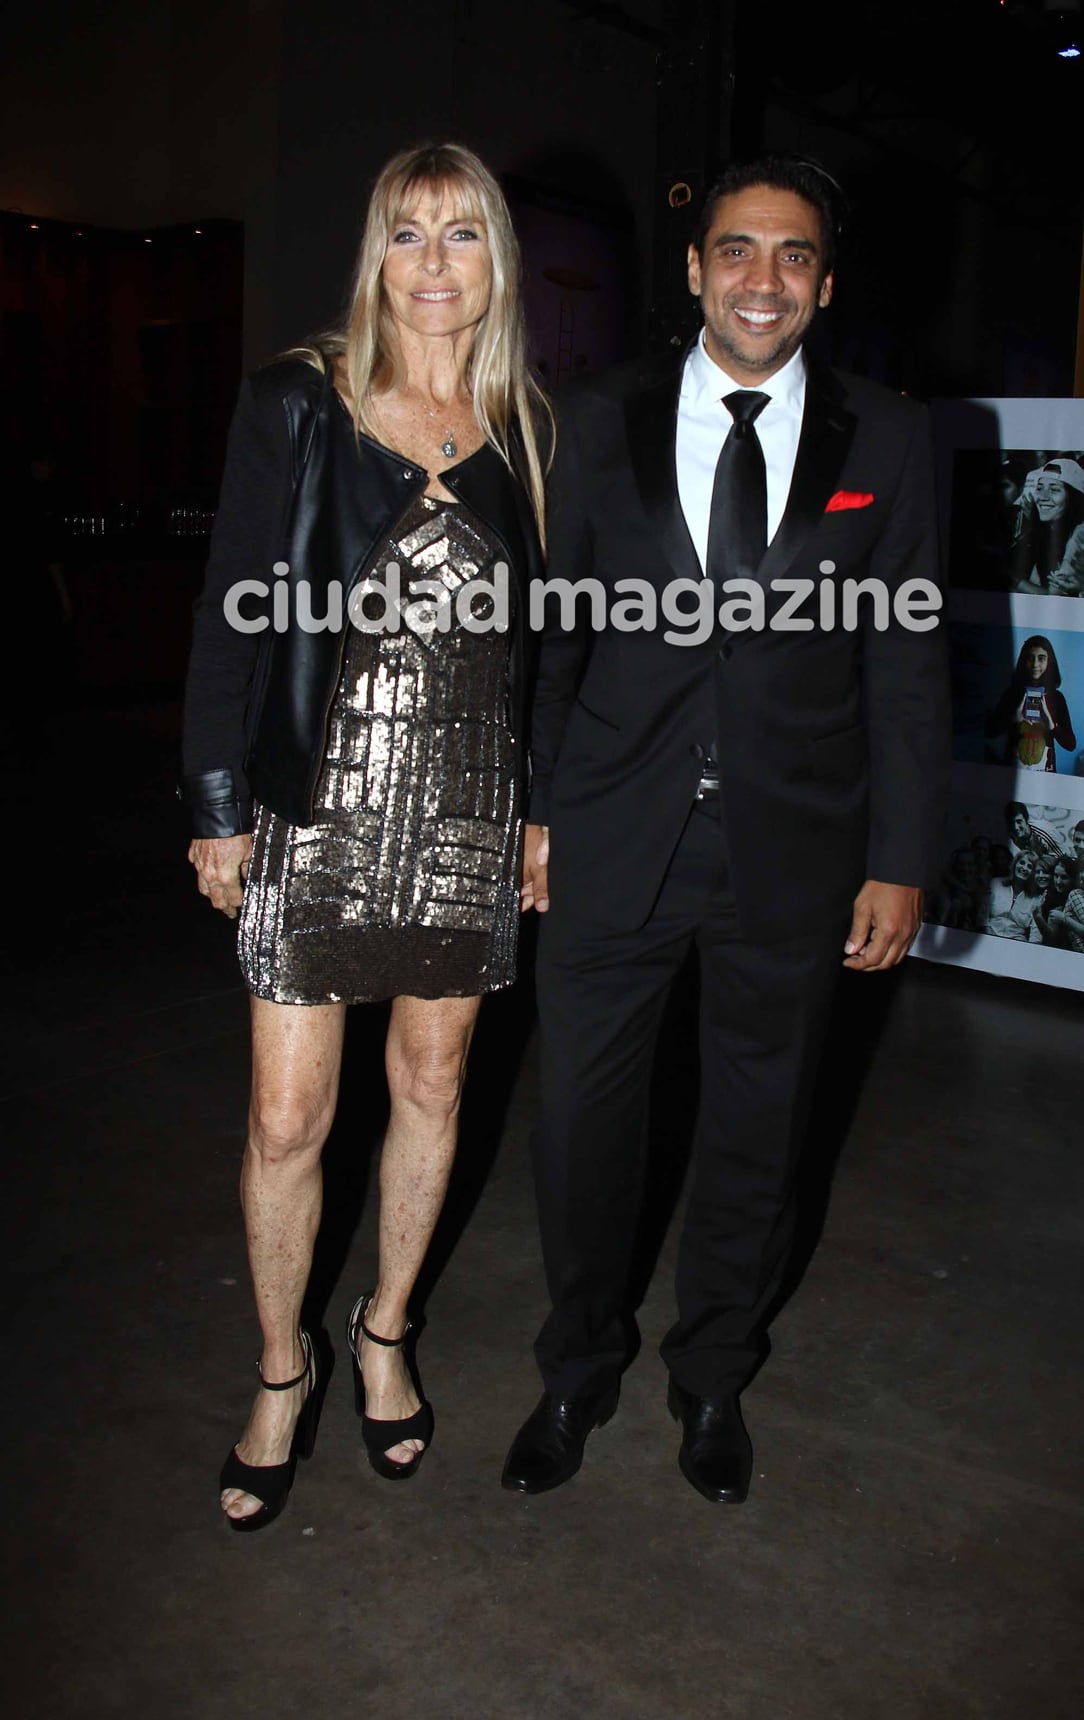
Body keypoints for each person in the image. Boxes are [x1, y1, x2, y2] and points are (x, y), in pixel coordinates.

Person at [505, 154, 949, 1504]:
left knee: (760, 1129)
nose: (764, 279)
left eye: (794, 256)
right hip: (607, 837)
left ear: (825, 282)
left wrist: (901, 858)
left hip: (796, 853)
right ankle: (578, 1369)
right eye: (738, 251)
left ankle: (712, 1381)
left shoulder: (889, 435)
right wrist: (532, 813)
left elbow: (908, 663)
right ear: (695, 271)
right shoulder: (598, 418)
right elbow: (550, 639)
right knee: (582, 1129)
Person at [181, 142, 550, 1529]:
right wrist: (217, 807)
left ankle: (387, 1329)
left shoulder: (521, 427)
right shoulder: (298, 401)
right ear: (376, 256)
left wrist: (537, 812)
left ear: (496, 262)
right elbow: (231, 607)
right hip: (312, 805)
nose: (437, 264)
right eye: (410, 234)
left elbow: (542, 652)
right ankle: (284, 1369)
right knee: (288, 1118)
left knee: (436, 1085)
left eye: (464, 236)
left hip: (464, 812)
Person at [985, 636, 1075, 772]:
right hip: (1012, 772)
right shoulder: (1012, 693)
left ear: (1049, 662)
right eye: (1030, 658)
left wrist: (1051, 725)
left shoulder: (1057, 698)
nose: (1035, 664)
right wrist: (1012, 719)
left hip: (1045, 773)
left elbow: (1071, 745)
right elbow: (989, 732)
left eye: (1041, 658)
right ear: (1023, 661)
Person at [1010, 457, 1084, 595]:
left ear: (1073, 498)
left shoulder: (1080, 534)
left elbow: (1054, 595)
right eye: (1039, 488)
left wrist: (1010, 578)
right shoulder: (1046, 529)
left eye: (1054, 490)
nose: (1042, 497)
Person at [984, 850, 1040, 941]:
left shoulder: (1035, 899)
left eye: (1030, 866)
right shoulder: (995, 883)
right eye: (1022, 863)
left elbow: (1036, 935)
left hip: (1016, 942)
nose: (1024, 868)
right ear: (1015, 864)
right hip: (989, 934)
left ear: (1033, 873)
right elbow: (982, 917)